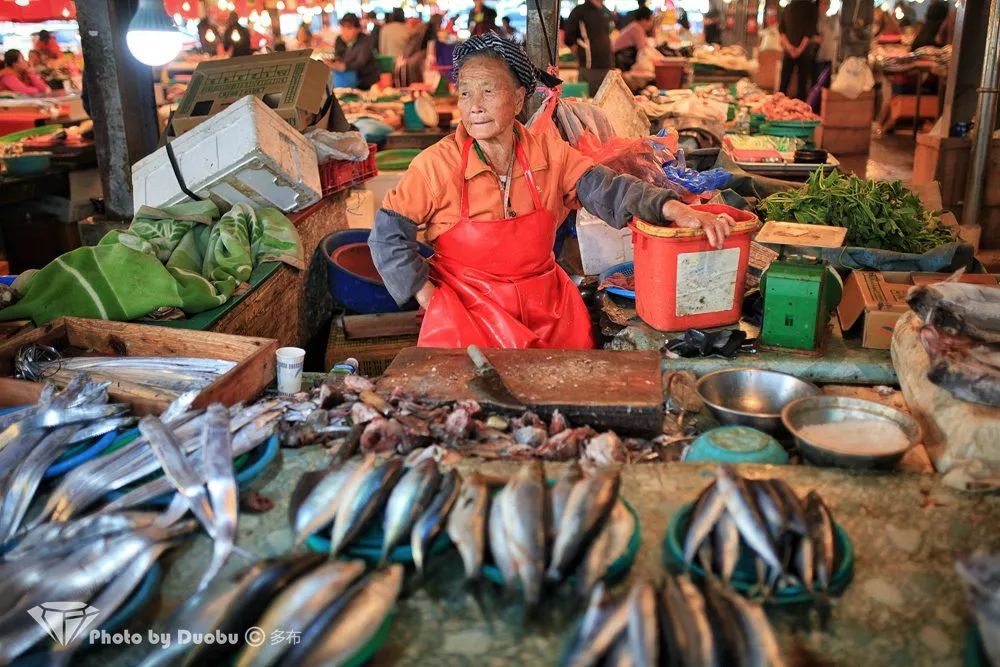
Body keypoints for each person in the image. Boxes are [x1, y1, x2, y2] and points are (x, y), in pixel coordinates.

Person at [368, 34, 733, 349]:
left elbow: (608, 188)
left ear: (518, 97)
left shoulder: (548, 152)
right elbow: (387, 236)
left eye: (488, 91)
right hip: (465, 310)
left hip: (549, 308)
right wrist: (429, 297)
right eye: (465, 93)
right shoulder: (436, 165)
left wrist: (674, 208)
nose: (474, 105)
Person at [564, 0, 615, 96]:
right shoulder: (579, 11)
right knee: (589, 104)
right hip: (589, 67)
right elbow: (569, 39)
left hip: (608, 66)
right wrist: (580, 56)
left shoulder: (606, 11)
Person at [778, 0, 818, 100]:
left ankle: (777, 110)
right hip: (804, 53)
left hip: (791, 52)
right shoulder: (811, 7)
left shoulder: (787, 7)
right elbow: (809, 32)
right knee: (801, 86)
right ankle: (800, 113)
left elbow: (781, 30)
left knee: (784, 85)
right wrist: (799, 49)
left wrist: (789, 47)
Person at [333, 13, 378, 89]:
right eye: (343, 27)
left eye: (349, 28)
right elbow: (339, 57)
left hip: (366, 83)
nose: (345, 31)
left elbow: (360, 62)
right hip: (348, 81)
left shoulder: (366, 40)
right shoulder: (340, 40)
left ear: (358, 29)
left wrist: (344, 66)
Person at [613, 6, 653, 71]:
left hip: (621, 57)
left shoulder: (635, 26)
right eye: (650, 20)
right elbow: (642, 49)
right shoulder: (636, 28)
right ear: (643, 20)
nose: (651, 24)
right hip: (620, 59)